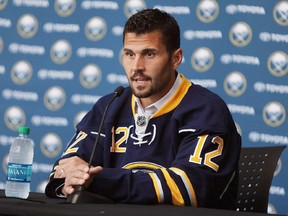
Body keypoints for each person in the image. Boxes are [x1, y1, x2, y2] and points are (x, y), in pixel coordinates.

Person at [45, 8, 241, 209]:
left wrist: (99, 181)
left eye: (149, 54)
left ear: (176, 58)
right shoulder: (109, 106)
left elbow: (188, 187)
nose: (136, 66)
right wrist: (72, 182)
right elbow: (63, 170)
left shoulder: (206, 110)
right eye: (129, 54)